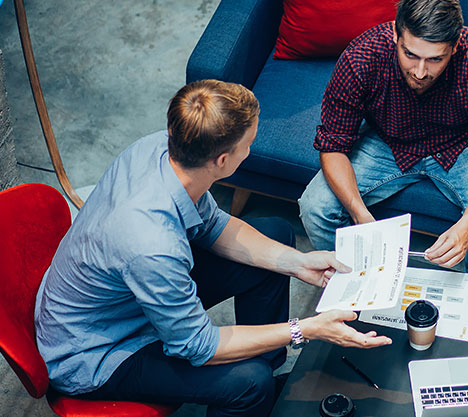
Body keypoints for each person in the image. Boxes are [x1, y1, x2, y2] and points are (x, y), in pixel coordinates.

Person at [34, 80, 391, 417]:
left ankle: (264, 376)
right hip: (95, 351)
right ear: (222, 160)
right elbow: (197, 347)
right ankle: (252, 391)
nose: (251, 149)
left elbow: (212, 225)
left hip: (130, 299)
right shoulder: (152, 245)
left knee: (277, 235)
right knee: (248, 382)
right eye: (248, 144)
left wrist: (297, 263)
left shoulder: (162, 147)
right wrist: (305, 329)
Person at [298, 0, 468, 282]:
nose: (421, 71)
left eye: (436, 59)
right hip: (386, 142)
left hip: (462, 145)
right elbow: (333, 144)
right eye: (410, 55)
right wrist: (360, 216)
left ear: (456, 45)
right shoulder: (360, 57)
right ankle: (354, 286)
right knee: (315, 207)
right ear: (395, 35)